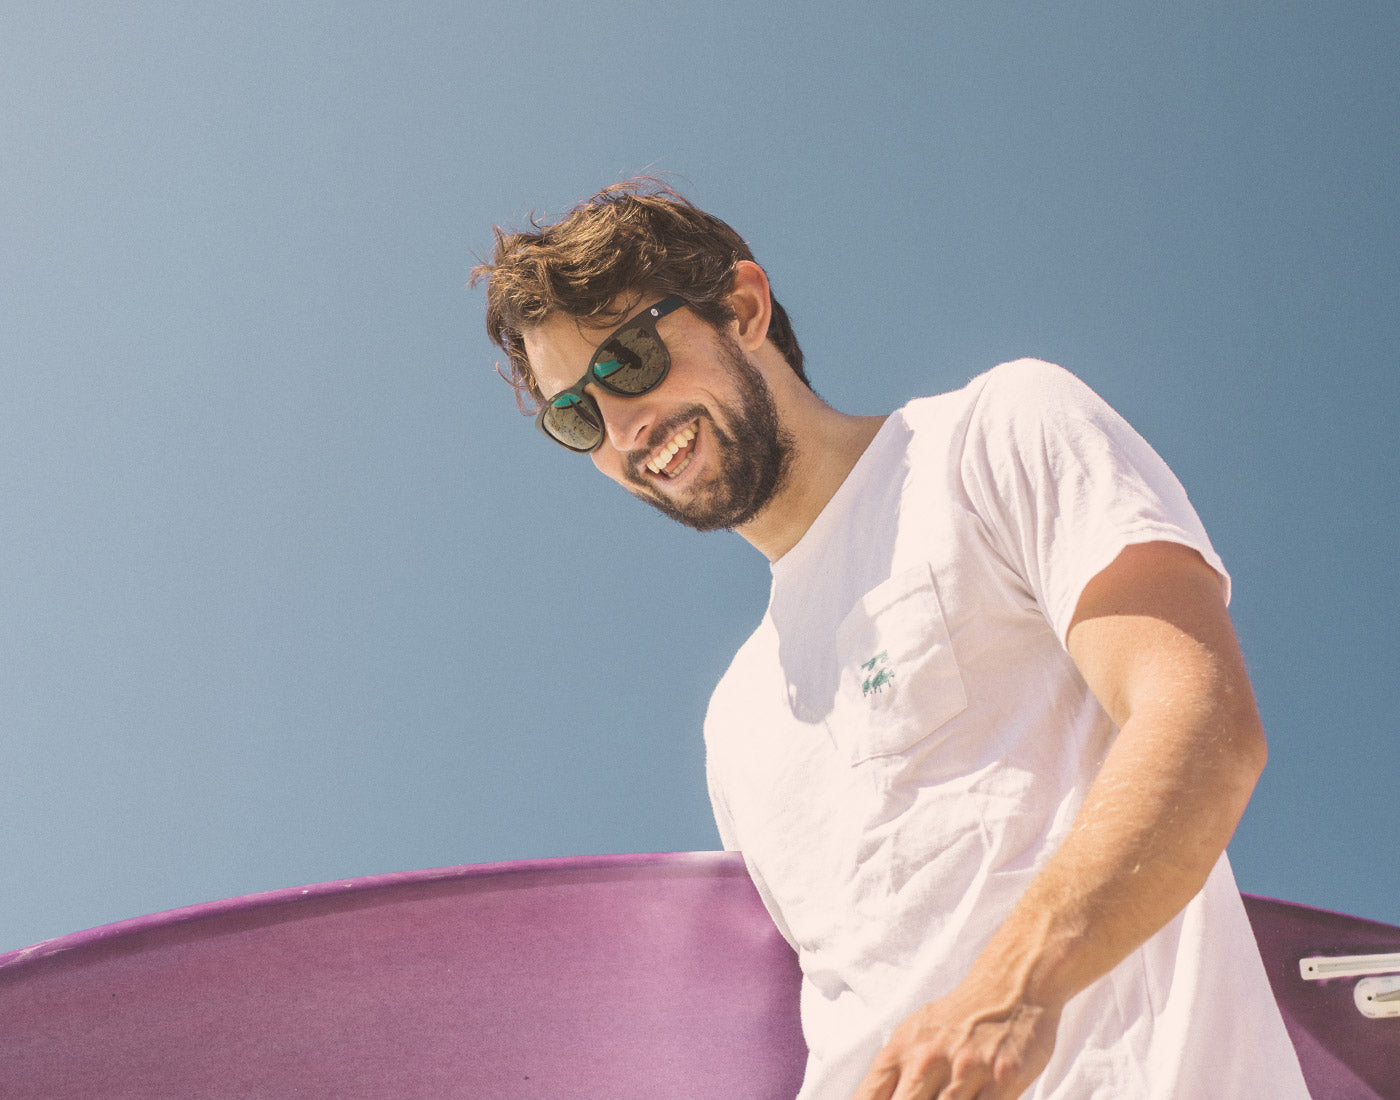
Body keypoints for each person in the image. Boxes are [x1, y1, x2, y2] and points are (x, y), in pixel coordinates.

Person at [472, 180, 1311, 1099]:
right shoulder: (737, 721)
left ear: (743, 309)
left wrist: (1009, 991)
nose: (624, 424)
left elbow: (1203, 723)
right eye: (576, 416)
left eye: (627, 360)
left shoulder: (990, 436)